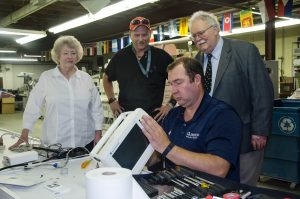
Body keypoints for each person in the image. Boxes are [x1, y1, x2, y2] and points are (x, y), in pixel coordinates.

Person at [189, 11, 274, 185]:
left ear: (215, 29)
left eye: (201, 33)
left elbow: (262, 92)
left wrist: (259, 130)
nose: (198, 39)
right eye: (193, 35)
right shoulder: (197, 60)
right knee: (216, 186)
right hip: (210, 139)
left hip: (244, 136)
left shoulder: (244, 51)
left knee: (243, 186)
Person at [140, 57, 242, 181]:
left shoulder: (223, 115)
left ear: (197, 80)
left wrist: (167, 147)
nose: (173, 91)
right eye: (171, 84)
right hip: (176, 188)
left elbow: (219, 169)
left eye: (178, 82)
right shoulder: (172, 116)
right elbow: (157, 157)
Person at [10, 35, 104, 151]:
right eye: (65, 53)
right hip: (55, 144)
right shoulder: (47, 78)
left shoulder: (86, 79)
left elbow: (96, 108)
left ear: (78, 55)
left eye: (73, 53)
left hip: (84, 142)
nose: (70, 57)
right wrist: (25, 133)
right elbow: (33, 106)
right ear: (58, 55)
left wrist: (98, 133)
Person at [103, 16, 175, 121]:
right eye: (136, 35)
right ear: (130, 35)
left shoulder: (162, 57)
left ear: (150, 33)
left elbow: (179, 79)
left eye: (144, 35)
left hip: (153, 119)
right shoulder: (120, 56)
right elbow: (106, 78)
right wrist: (112, 100)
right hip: (126, 118)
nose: (141, 39)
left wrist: (171, 104)